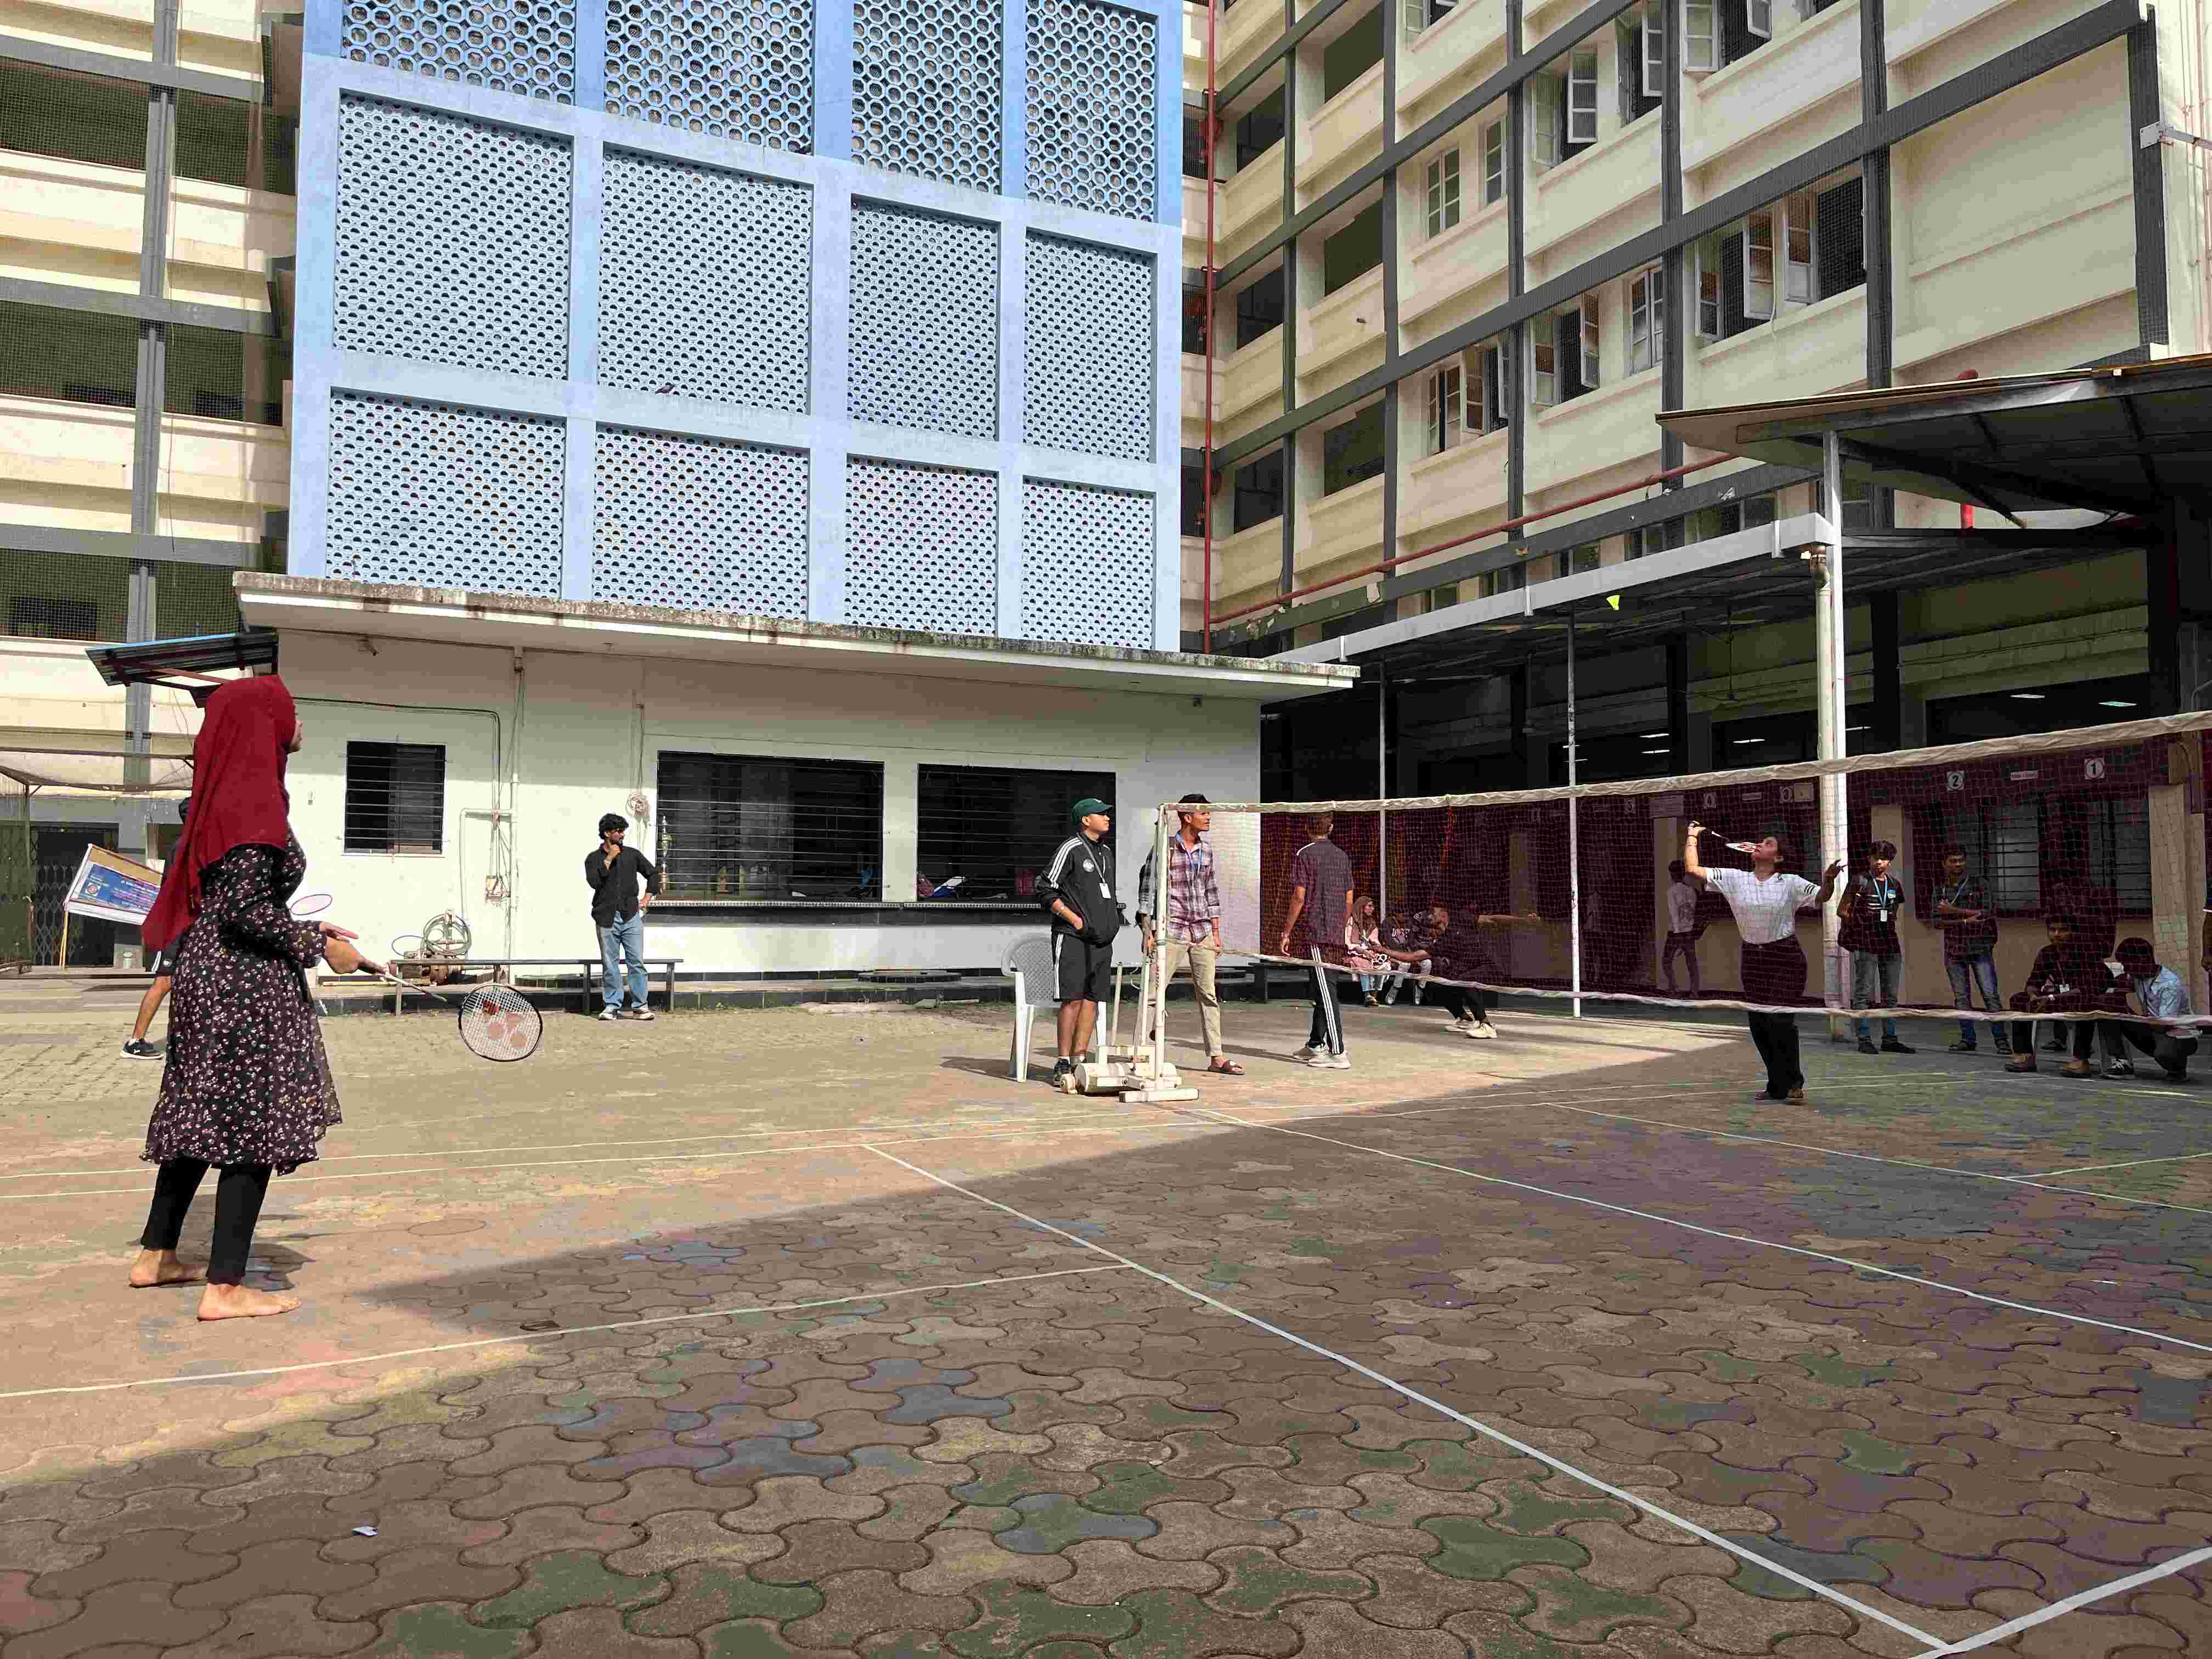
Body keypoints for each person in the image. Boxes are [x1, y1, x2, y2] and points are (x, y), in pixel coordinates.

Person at [131, 676, 379, 1321]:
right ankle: (225, 1286)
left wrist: (308, 928)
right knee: (252, 1123)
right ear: (263, 725)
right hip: (243, 984)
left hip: (206, 974)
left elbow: (232, 903)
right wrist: (319, 947)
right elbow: (244, 910)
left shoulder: (220, 797)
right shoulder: (253, 798)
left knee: (198, 1113)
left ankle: (156, 1255)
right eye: (290, 712)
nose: (298, 724)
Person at [1683, 821, 1843, 1105]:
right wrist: (1692, 836)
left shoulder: (1790, 882)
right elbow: (1693, 870)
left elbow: (1822, 897)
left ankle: (1794, 1082)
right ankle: (1776, 1085)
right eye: (1760, 842)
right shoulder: (1735, 878)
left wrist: (1829, 880)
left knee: (1780, 1021)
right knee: (1759, 1025)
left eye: (1768, 843)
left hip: (1785, 959)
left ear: (1778, 858)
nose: (1759, 844)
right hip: (1753, 959)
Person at [1136, 793, 1240, 1078]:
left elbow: (1211, 890)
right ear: (1187, 817)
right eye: (1203, 813)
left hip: (1202, 929)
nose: (1208, 817)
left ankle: (1216, 1056)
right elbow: (1147, 888)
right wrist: (1147, 929)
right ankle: (1142, 1052)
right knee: (1154, 991)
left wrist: (1216, 932)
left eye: (1208, 813)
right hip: (1172, 928)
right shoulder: (1165, 847)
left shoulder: (1207, 850)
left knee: (1209, 994)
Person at [1037, 797, 1121, 1094]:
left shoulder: (1107, 853)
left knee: (1092, 1000)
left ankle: (1080, 1059)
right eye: (1101, 814)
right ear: (1086, 820)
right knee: (1072, 999)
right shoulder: (1071, 848)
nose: (1107, 818)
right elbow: (1045, 888)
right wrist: (1074, 920)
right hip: (1072, 937)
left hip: (1102, 940)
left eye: (1107, 814)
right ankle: (1062, 1061)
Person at [1278, 812, 1353, 1069]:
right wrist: (1341, 927)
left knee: (1327, 991)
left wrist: (1287, 932)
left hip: (1319, 933)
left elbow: (1299, 897)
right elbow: (1349, 900)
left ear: (1307, 827)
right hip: (1334, 932)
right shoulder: (1342, 856)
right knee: (1322, 988)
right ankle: (1315, 1044)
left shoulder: (1304, 854)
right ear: (1330, 827)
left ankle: (1338, 1052)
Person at [2004, 913, 2117, 1077]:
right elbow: (2033, 982)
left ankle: (2080, 1060)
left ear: (2074, 932)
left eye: (2063, 930)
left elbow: (2086, 989)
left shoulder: (2087, 951)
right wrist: (2034, 996)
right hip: (2059, 999)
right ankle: (2025, 1055)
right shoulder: (2047, 953)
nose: (2057, 934)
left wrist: (2052, 998)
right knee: (2019, 999)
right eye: (2052, 930)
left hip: (2088, 999)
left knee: (2084, 1003)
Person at [123, 803, 189, 1058]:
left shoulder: (189, 845)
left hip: (184, 926)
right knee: (164, 982)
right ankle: (134, 1042)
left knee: (182, 982)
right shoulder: (183, 847)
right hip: (173, 927)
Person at [1839, 839, 1912, 1056]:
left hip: (1889, 943)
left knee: (1890, 995)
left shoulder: (1895, 885)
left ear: (1890, 862)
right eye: (1875, 858)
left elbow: (1894, 912)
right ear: (1869, 858)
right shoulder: (1859, 881)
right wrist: (1860, 923)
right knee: (1863, 993)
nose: (1879, 862)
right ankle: (1864, 1040)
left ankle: (1890, 1039)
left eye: (1884, 859)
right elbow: (1842, 910)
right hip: (1865, 942)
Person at [586, 812, 660, 1022]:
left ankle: (641, 1007)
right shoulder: (593, 859)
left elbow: (653, 873)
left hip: (631, 916)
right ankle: (612, 1006)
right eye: (618, 831)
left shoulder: (632, 855)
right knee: (610, 964)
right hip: (606, 917)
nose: (622, 835)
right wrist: (609, 859)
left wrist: (646, 899)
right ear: (607, 833)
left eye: (623, 831)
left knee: (636, 962)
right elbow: (594, 882)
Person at [1933, 846, 2007, 1055]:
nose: (1958, 864)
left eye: (1961, 860)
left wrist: (1953, 911)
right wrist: (1966, 920)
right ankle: (1968, 1039)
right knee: (1961, 998)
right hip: (1954, 950)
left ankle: (2002, 1041)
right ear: (1944, 864)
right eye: (1953, 861)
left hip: (1980, 947)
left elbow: (1987, 913)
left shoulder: (1979, 883)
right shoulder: (1940, 889)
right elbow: (1937, 922)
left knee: (1990, 995)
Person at [2038, 867, 2118, 1053]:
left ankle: (2083, 1047)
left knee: (2081, 994)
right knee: (2061, 986)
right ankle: (2060, 1038)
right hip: (2068, 948)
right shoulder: (2058, 892)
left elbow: (2105, 921)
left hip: (2088, 949)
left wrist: (2077, 919)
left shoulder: (2095, 892)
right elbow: (2051, 916)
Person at [2098, 937, 2198, 1082]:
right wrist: (2113, 996)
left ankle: (2178, 1067)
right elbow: (2118, 983)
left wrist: (2129, 1015)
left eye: (2127, 964)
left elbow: (2164, 1024)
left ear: (2142, 960)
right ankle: (2123, 1063)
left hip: (2177, 1033)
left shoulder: (2170, 985)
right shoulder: (2137, 975)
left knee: (2164, 1054)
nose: (2125, 969)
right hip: (2152, 1027)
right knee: (2106, 1005)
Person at [1380, 905, 1437, 1006]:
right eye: (1404, 915)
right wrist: (1405, 956)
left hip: (1409, 953)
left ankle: (1420, 988)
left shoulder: (1409, 923)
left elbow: (1411, 940)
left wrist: (1414, 956)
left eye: (1407, 915)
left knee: (1427, 963)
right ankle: (1395, 988)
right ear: (1396, 914)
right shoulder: (1387, 923)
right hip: (1394, 953)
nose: (1406, 918)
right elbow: (1389, 942)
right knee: (1405, 964)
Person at [1660, 859, 1701, 998]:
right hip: (1689, 932)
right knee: (1691, 962)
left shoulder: (1671, 891)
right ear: (1684, 874)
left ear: (1672, 874)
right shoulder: (1692, 891)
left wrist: (1678, 933)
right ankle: (1694, 992)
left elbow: (1674, 914)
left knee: (1666, 960)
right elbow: (1693, 913)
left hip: (1675, 933)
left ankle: (1673, 988)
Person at [1347, 895, 1391, 1006]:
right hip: (1355, 951)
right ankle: (1367, 995)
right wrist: (1364, 951)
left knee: (1384, 965)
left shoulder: (1372, 922)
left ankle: (1374, 996)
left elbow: (1375, 939)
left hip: (1370, 950)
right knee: (1363, 963)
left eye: (1373, 906)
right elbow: (1349, 942)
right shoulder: (1352, 921)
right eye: (1369, 906)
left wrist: (1376, 946)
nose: (1372, 909)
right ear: (1362, 907)